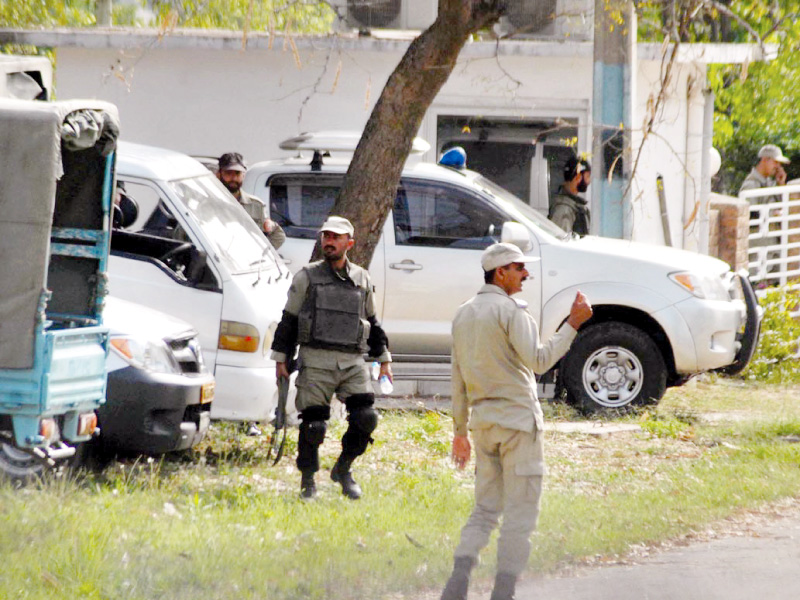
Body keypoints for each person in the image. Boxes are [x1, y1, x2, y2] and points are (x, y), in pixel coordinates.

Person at [440, 242, 593, 600]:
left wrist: (460, 432)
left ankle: (457, 581)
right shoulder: (512, 312)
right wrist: (573, 323)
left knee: (484, 509)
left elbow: (457, 377)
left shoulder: (463, 314)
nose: (526, 274)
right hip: (519, 427)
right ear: (500, 273)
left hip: (484, 425)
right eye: (519, 268)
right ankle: (503, 591)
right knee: (520, 513)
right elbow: (540, 361)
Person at [270, 216, 392, 500]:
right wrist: (281, 359)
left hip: (352, 361)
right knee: (314, 426)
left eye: (336, 237)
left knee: (366, 417)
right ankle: (308, 480)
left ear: (349, 243)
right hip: (316, 358)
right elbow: (288, 320)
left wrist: (384, 358)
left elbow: (372, 322)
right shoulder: (307, 277)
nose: (329, 241)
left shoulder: (362, 278)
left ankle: (343, 469)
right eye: (325, 236)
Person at [217, 152, 286, 250]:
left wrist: (261, 254)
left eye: (237, 173)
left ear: (243, 175)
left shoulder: (256, 205)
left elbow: (278, 235)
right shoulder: (209, 204)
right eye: (228, 173)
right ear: (219, 174)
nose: (233, 178)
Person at [548, 156, 592, 236]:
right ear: (578, 177)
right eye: (587, 176)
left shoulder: (572, 206)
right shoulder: (564, 209)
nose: (589, 181)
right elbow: (561, 244)